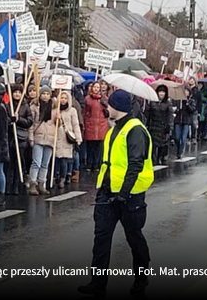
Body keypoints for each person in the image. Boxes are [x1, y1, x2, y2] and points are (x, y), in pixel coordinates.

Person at [77, 90, 153, 297]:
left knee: (134, 238)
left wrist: (124, 193)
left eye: (108, 105)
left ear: (117, 107)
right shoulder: (114, 129)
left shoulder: (135, 130)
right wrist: (102, 189)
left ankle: (141, 279)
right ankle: (97, 282)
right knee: (101, 238)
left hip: (130, 197)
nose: (105, 108)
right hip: (108, 194)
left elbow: (136, 164)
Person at [5, 83, 33, 195]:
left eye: (19, 92)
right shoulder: (8, 105)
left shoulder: (25, 106)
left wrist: (19, 119)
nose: (17, 94)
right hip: (10, 137)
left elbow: (29, 122)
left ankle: (16, 185)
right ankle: (7, 185)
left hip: (20, 139)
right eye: (15, 92)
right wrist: (10, 120)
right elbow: (4, 119)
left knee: (18, 162)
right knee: (9, 163)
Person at [28, 85, 56, 195]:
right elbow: (31, 124)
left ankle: (42, 183)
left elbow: (58, 126)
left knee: (45, 163)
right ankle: (33, 183)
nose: (45, 96)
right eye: (43, 93)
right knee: (36, 162)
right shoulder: (34, 106)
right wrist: (31, 138)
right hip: (38, 137)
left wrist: (59, 119)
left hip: (50, 138)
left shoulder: (54, 108)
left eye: (47, 94)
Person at [53, 91, 82, 189]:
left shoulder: (72, 110)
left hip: (66, 137)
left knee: (64, 159)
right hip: (56, 136)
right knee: (56, 158)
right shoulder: (55, 110)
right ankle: (55, 176)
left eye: (65, 98)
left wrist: (78, 138)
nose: (63, 100)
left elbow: (75, 124)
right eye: (61, 98)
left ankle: (62, 178)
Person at [83, 82, 109, 173]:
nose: (96, 89)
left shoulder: (105, 99)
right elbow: (84, 112)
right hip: (91, 124)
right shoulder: (87, 99)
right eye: (95, 87)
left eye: (98, 87)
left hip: (101, 125)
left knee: (98, 147)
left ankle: (96, 164)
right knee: (90, 146)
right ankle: (89, 164)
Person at [145, 85, 173, 165]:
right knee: (153, 144)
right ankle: (153, 159)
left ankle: (160, 157)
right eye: (160, 91)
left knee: (162, 144)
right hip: (153, 126)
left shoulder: (168, 103)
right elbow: (148, 114)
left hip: (163, 127)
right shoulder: (152, 102)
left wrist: (169, 127)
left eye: (163, 92)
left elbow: (170, 116)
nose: (161, 93)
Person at [173, 86, 196, 159]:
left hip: (186, 121)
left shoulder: (191, 101)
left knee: (183, 138)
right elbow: (173, 109)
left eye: (187, 91)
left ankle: (180, 151)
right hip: (178, 120)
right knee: (177, 137)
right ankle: (178, 149)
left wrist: (187, 104)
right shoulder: (178, 100)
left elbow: (192, 110)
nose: (185, 92)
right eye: (184, 91)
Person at [187, 78, 200, 144]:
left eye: (192, 80)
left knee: (194, 124)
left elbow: (199, 100)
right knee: (186, 123)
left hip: (194, 109)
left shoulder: (197, 90)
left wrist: (199, 110)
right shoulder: (186, 88)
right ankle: (187, 137)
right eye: (190, 80)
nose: (191, 81)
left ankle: (193, 137)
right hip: (187, 109)